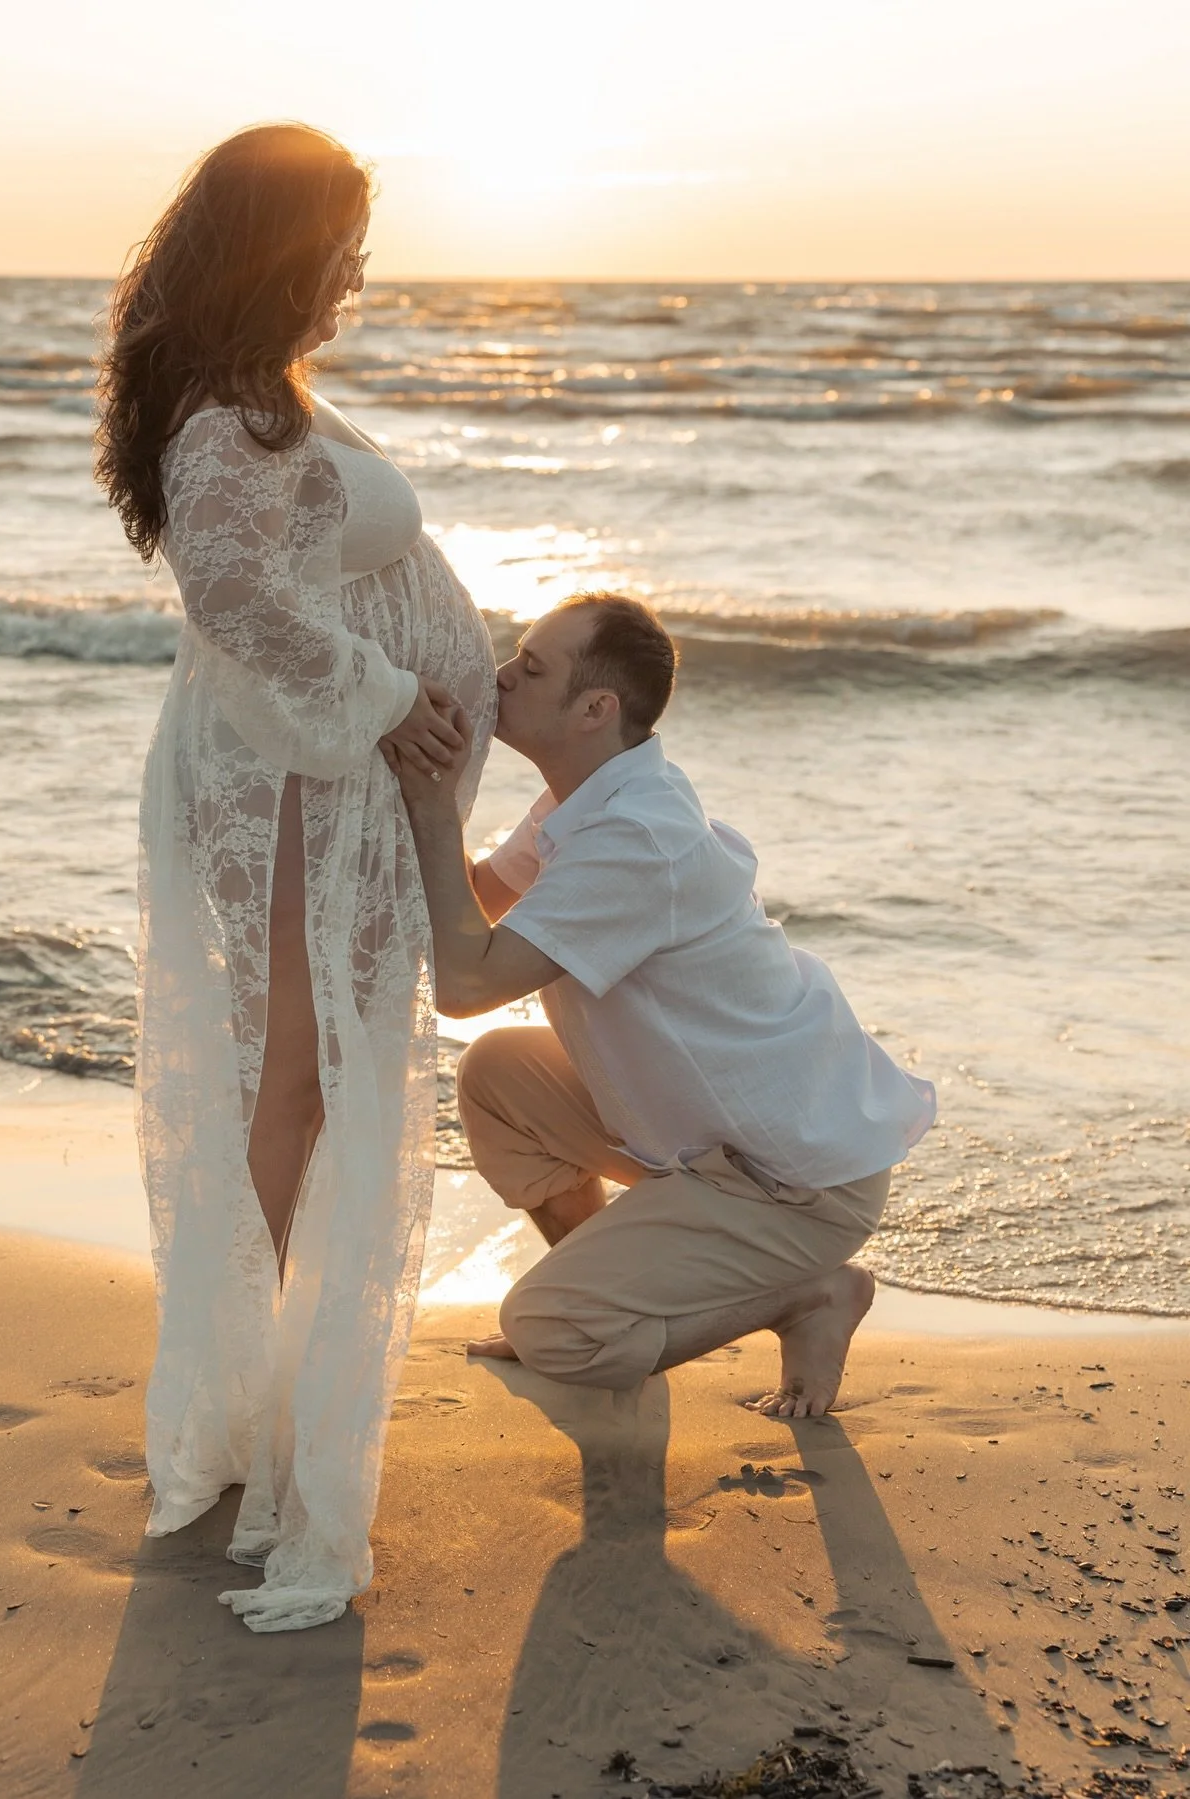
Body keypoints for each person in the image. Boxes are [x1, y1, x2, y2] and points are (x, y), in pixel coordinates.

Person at [95, 123, 496, 1631]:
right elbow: (239, 595)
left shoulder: (266, 400)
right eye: (343, 249)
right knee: (298, 1075)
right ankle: (263, 1413)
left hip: (319, 783)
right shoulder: (223, 416)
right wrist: (395, 700)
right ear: (284, 248)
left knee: (312, 1072)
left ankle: (265, 1395)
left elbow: (294, 573)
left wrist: (415, 699)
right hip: (282, 782)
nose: (357, 278)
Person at [388, 592, 935, 1418]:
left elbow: (466, 985)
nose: (500, 677)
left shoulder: (636, 838)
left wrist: (431, 800)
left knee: (550, 1330)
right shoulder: (586, 797)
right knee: (499, 1074)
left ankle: (805, 1297)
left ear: (596, 709)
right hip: (710, 1142)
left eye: (531, 668)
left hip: (794, 1183)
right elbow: (474, 904)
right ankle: (613, 1297)